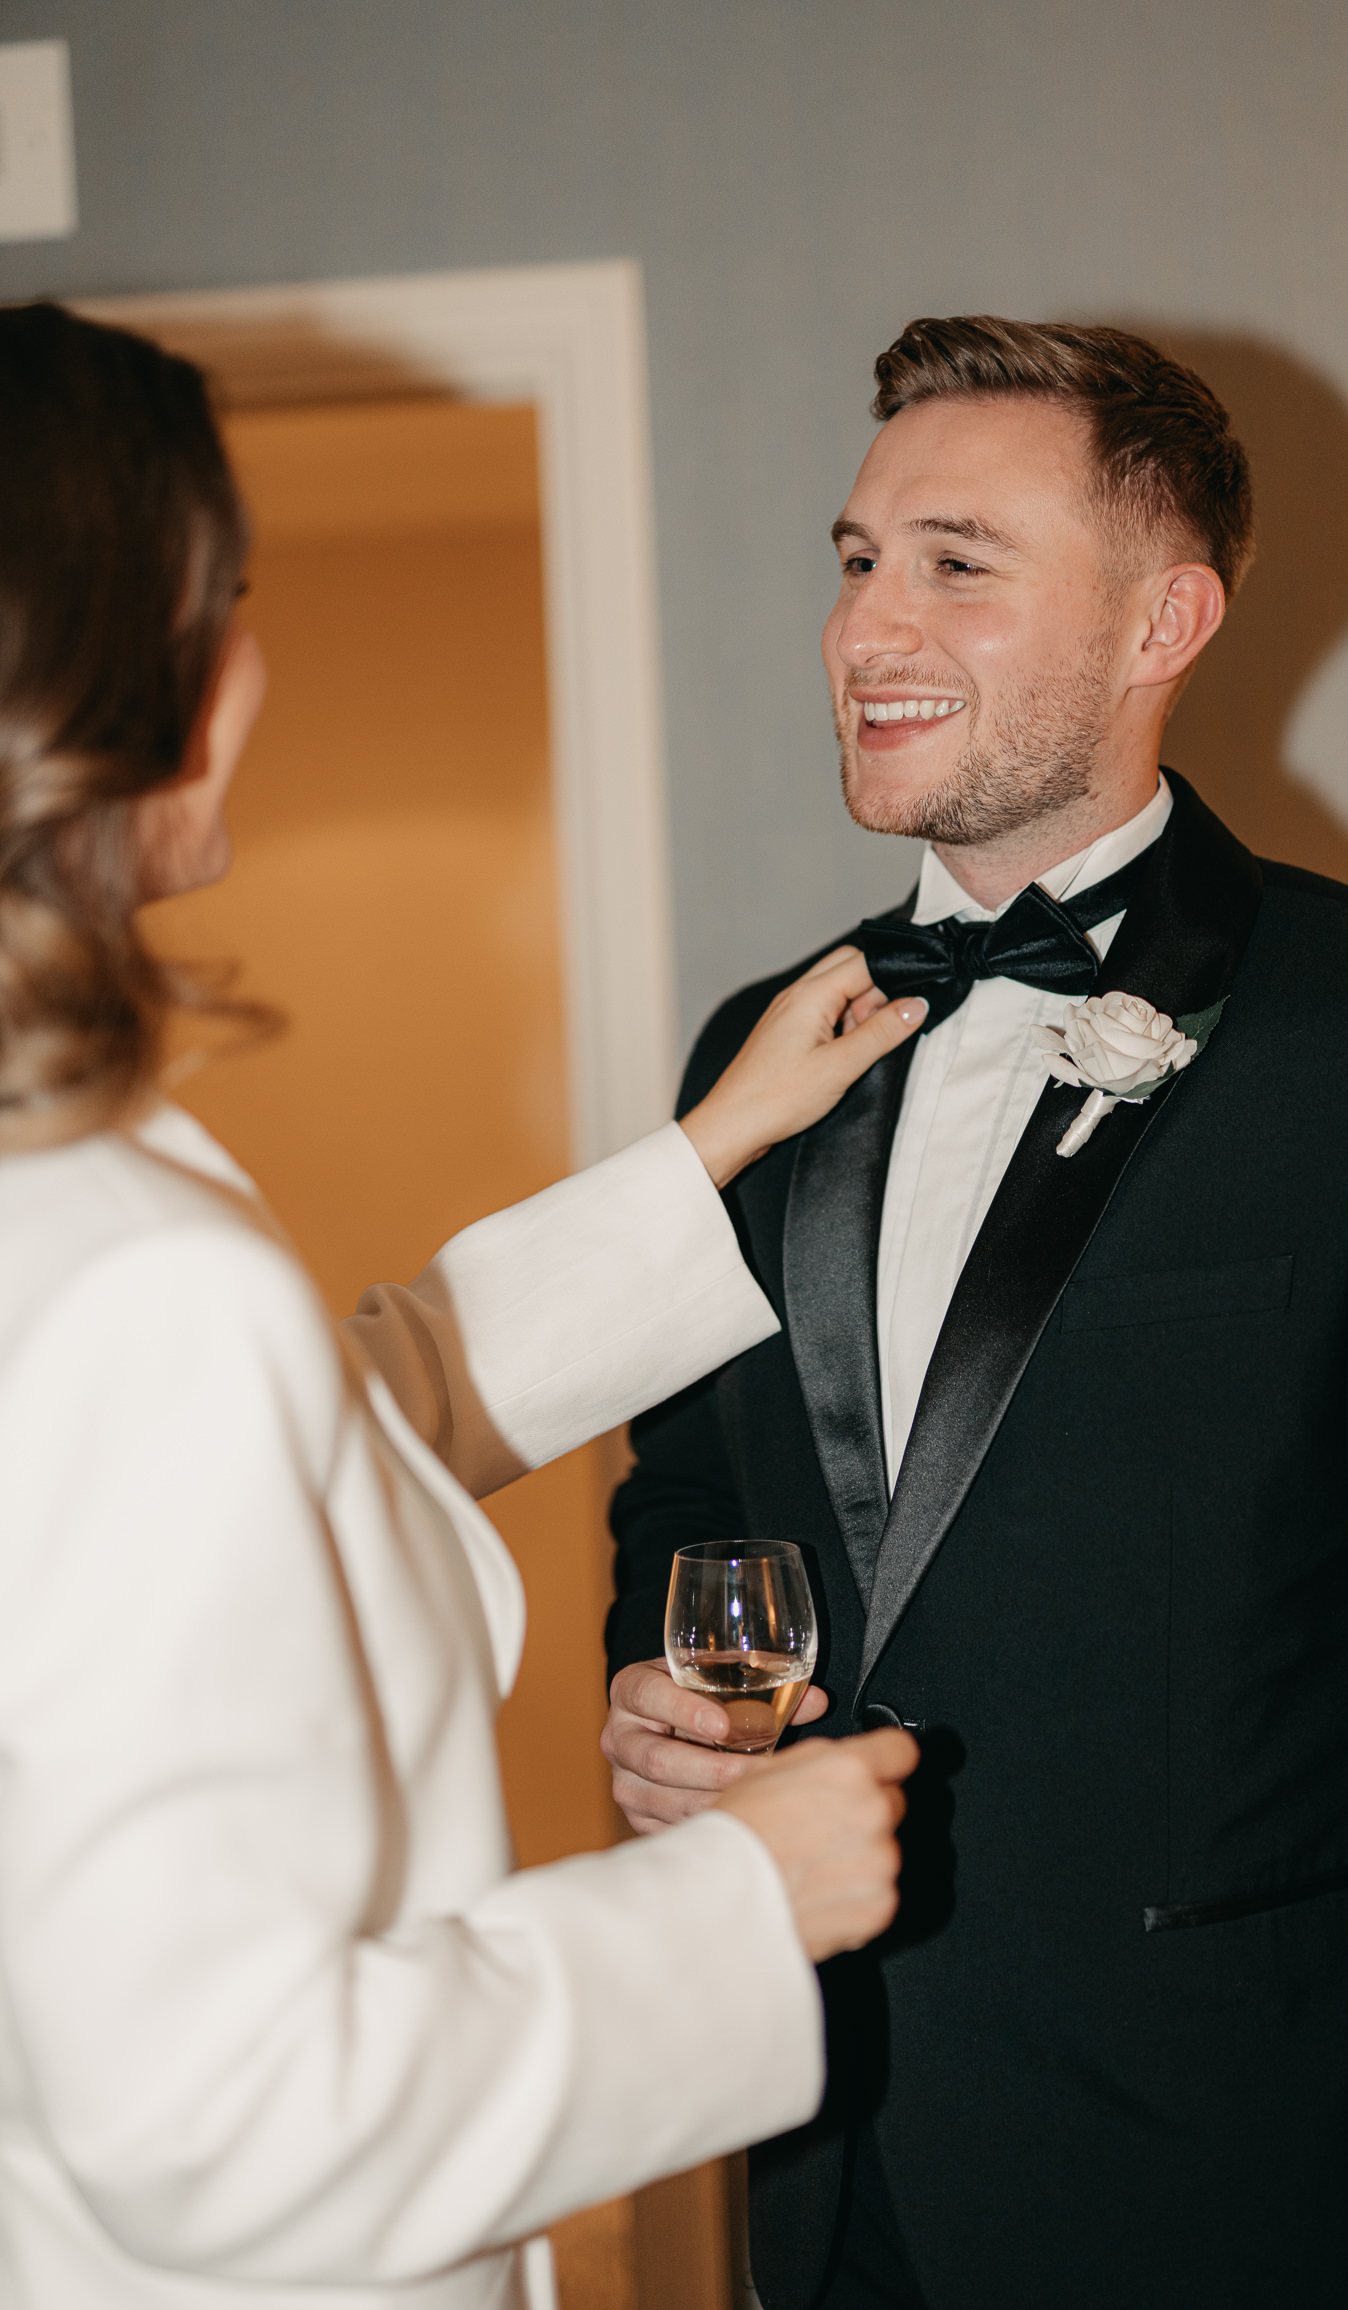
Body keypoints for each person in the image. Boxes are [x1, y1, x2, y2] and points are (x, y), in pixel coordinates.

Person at [603, 317, 1348, 2309]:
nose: (867, 629)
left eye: (957, 560)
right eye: (855, 560)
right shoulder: (759, 1052)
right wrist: (659, 1711)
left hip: (1250, 2195)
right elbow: (682, 1500)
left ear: (1158, 621)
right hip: (823, 2163)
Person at [0, 300, 927, 2310]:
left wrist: (714, 1149)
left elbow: (345, 1413)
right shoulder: (126, 1288)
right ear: (110, 665)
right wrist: (732, 1905)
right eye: (222, 599)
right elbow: (217, 2127)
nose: (253, 664)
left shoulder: (64, 1202)